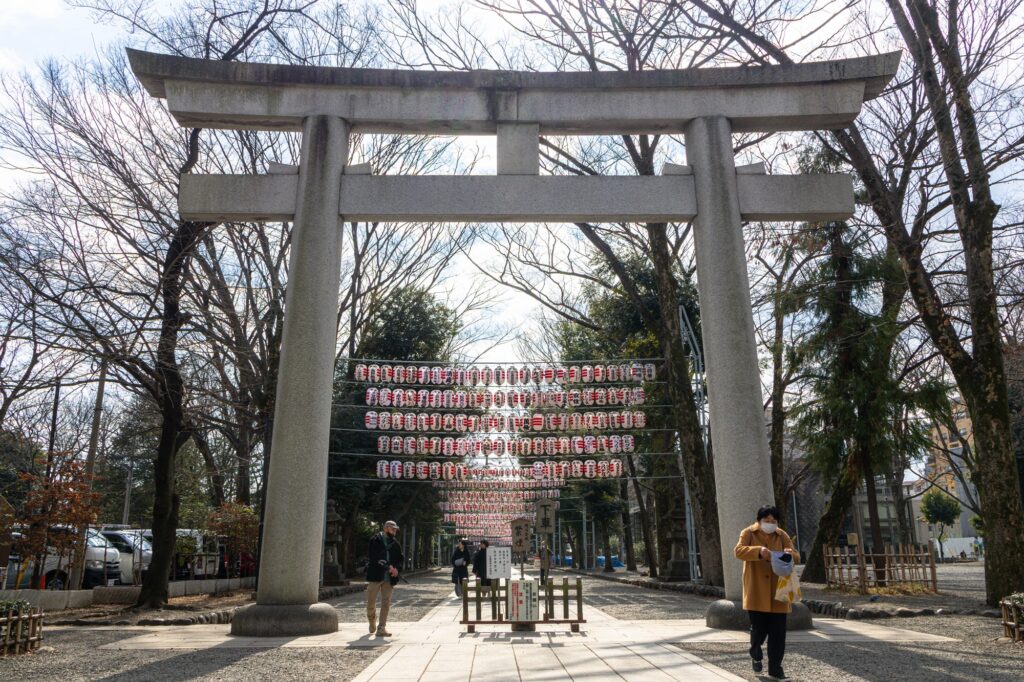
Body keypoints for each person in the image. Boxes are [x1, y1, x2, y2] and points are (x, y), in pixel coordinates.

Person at [734, 504, 799, 681]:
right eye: (767, 520)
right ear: (759, 520)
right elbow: (738, 551)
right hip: (756, 591)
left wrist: (789, 554)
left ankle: (775, 669)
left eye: (774, 521)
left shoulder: (782, 534)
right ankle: (755, 652)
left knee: (778, 634)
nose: (770, 524)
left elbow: (796, 556)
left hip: (779, 592)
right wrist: (758, 552)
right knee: (759, 629)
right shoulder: (748, 533)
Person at [366, 520, 403, 637]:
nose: (395, 531)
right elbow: (373, 557)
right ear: (386, 528)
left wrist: (396, 569)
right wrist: (388, 565)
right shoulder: (374, 540)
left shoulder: (396, 544)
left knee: (386, 603)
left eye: (396, 529)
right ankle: (372, 620)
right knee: (371, 602)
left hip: (389, 578)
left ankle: (381, 628)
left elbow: (400, 559)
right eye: (393, 529)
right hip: (375, 575)